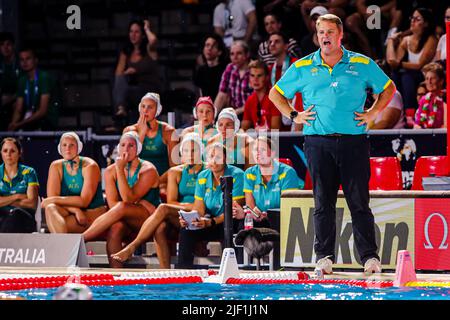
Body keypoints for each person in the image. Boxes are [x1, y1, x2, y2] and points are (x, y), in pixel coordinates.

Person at [269, 14, 396, 274]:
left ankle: (370, 258)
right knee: (322, 202)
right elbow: (275, 93)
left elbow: (389, 88)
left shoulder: (361, 63)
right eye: (320, 32)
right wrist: (294, 114)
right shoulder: (303, 66)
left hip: (354, 143)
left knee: (359, 202)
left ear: (340, 36)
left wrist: (372, 113)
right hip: (318, 143)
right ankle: (324, 257)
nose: (324, 36)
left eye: (329, 32)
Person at [110, 133, 205, 268]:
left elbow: (205, 204)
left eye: (194, 150)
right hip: (181, 216)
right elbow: (171, 202)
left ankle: (132, 247)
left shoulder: (207, 171)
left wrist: (195, 207)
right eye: (185, 151)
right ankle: (165, 274)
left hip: (202, 216)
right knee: (160, 228)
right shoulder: (174, 172)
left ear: (201, 151)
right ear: (181, 154)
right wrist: (192, 206)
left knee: (162, 208)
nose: (189, 154)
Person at [82, 131, 160, 268]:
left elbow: (128, 199)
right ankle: (117, 276)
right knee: (115, 227)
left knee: (123, 207)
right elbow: (113, 205)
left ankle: (81, 239)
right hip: (124, 218)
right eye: (123, 145)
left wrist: (119, 169)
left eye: (131, 146)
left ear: (138, 149)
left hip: (148, 220)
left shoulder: (148, 170)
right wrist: (138, 202)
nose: (126, 149)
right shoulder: (110, 171)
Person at [176, 142, 245, 269]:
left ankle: (232, 271)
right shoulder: (202, 176)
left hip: (229, 222)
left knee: (229, 227)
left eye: (218, 157)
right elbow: (199, 209)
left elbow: (233, 209)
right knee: (186, 230)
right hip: (211, 222)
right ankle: (184, 272)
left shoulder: (237, 175)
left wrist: (211, 222)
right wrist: (190, 219)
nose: (214, 160)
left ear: (225, 159)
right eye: (211, 156)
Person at [43, 132, 107, 233]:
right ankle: (64, 248)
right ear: (60, 148)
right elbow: (52, 201)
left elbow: (83, 201)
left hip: (91, 214)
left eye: (72, 145)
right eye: (64, 145)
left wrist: (52, 199)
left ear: (79, 147)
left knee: (57, 224)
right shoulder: (55, 166)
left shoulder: (90, 166)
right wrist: (75, 210)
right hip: (73, 212)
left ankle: (63, 248)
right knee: (50, 208)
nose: (67, 148)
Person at [233, 136, 303, 228]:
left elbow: (290, 206)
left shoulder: (288, 172)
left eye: (263, 149)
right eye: (255, 150)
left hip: (283, 220)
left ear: (273, 153)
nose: (258, 153)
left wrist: (269, 215)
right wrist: (253, 213)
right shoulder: (249, 173)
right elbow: (250, 205)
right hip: (259, 221)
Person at [123, 92, 178, 192]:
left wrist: (155, 181)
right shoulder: (129, 131)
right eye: (143, 106)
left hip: (161, 183)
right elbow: (126, 162)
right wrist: (141, 135)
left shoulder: (169, 131)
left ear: (158, 110)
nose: (145, 110)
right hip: (136, 182)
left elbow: (175, 167)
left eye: (150, 107)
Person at [386, 8, 437, 111]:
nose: (412, 21)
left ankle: (409, 111)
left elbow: (419, 65)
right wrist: (391, 40)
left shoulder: (432, 39)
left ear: (426, 24)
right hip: (411, 74)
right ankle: (396, 109)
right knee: (395, 75)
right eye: (412, 18)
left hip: (426, 75)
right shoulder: (406, 40)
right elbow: (392, 62)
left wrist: (399, 64)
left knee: (406, 76)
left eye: (417, 19)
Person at [111, 19, 160, 128]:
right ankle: (121, 109)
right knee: (119, 82)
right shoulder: (126, 52)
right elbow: (119, 75)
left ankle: (120, 112)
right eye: (131, 31)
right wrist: (127, 73)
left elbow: (153, 40)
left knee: (126, 93)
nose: (133, 35)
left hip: (149, 88)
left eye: (137, 32)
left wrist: (147, 29)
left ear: (142, 35)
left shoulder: (149, 50)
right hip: (133, 89)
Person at [8, 47, 59, 131]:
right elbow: (18, 109)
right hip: (30, 120)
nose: (25, 62)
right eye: (22, 59)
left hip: (46, 121)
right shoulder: (22, 80)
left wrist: (19, 124)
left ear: (35, 60)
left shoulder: (44, 77)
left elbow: (42, 111)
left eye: (28, 58)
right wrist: (13, 124)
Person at [0, 137, 39, 233]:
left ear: (19, 152)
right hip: (2, 217)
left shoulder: (29, 172)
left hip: (24, 218)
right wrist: (17, 196)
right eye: (5, 151)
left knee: (15, 214)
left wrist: (4, 201)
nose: (8, 154)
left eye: (12, 151)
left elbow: (32, 204)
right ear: (1, 153)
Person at [214, 40, 253, 116]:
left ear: (247, 54)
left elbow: (257, 100)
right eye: (232, 54)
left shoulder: (255, 68)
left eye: (239, 53)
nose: (235, 57)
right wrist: (213, 115)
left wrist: (236, 112)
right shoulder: (230, 68)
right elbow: (222, 95)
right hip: (234, 112)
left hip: (251, 112)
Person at [241, 59, 281, 131]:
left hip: (277, 140)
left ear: (267, 77)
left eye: (259, 76)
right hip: (258, 140)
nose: (255, 79)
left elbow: (275, 129)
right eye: (252, 76)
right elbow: (244, 128)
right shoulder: (250, 100)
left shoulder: (275, 97)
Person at [193, 34, 228, 100]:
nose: (209, 48)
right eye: (207, 45)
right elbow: (200, 94)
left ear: (219, 52)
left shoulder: (226, 70)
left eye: (213, 46)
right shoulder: (201, 70)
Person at [413, 63, 445, 129]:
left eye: (432, 78)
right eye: (427, 79)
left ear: (441, 81)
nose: (429, 82)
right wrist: (417, 126)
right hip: (426, 135)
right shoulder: (424, 99)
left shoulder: (446, 98)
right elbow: (417, 122)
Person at [0, 32, 21, 131]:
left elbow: (26, 87)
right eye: (2, 45)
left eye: (8, 44)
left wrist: (12, 97)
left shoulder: (21, 62)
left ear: (13, 46)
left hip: (19, 100)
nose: (5, 48)